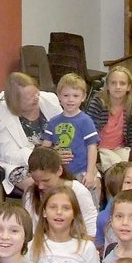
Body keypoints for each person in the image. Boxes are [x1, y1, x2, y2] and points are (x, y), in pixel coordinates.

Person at [0, 72, 62, 195]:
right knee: (39, 186)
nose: (36, 98)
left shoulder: (50, 100)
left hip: (55, 156)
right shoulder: (1, 114)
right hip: (21, 163)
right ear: (15, 102)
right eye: (29, 97)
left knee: (86, 176)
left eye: (36, 92)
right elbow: (9, 153)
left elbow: (66, 128)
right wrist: (43, 159)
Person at [42, 73, 101, 204]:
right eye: (66, 95)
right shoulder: (53, 122)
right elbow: (45, 148)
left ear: (83, 97)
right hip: (60, 174)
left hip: (82, 172)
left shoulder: (86, 121)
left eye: (75, 96)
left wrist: (90, 173)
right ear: (59, 97)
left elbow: (92, 147)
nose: (70, 100)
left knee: (88, 204)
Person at [23, 146, 98, 237]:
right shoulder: (31, 194)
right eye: (36, 181)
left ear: (59, 171)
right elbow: (31, 230)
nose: (40, 186)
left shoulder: (78, 191)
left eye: (46, 180)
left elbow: (91, 226)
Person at [84, 65, 132, 171]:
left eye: (122, 83)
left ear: (129, 87)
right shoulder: (98, 102)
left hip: (120, 147)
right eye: (113, 83)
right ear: (107, 86)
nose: (118, 87)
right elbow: (89, 133)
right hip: (99, 149)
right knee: (119, 168)